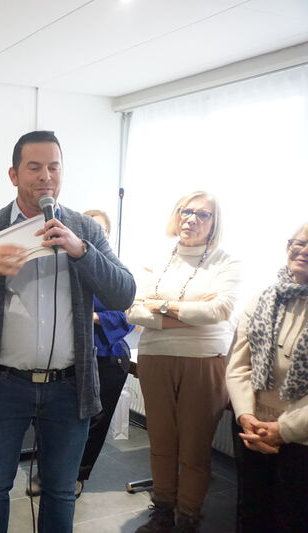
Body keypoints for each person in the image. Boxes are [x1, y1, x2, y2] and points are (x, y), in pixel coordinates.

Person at [0, 130, 136, 533]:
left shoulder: (84, 229)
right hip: (2, 384)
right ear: (14, 174)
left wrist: (81, 251)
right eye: (35, 167)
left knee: (60, 490)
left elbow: (123, 293)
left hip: (69, 386)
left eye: (54, 167)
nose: (46, 176)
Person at [127, 190, 241, 533]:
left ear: (214, 222)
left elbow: (219, 310)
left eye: (202, 214)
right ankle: (163, 510)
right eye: (185, 211)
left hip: (203, 360)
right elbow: (132, 310)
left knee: (194, 447)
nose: (191, 219)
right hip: (155, 356)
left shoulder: (225, 261)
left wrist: (161, 305)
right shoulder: (155, 258)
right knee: (161, 441)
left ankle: (189, 516)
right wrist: (189, 313)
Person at [27, 209, 136, 499]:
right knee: (50, 418)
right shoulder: (64, 263)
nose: (93, 235)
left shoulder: (114, 272)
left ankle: (77, 475)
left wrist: (91, 317)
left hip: (106, 356)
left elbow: (128, 315)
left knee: (94, 422)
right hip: (66, 355)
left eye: (100, 231)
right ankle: (45, 472)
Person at [226, 224, 308, 533]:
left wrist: (283, 430)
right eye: (298, 243)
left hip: (301, 437)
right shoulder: (263, 298)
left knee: (292, 516)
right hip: (253, 426)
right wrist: (246, 416)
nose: (303, 250)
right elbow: (239, 365)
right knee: (251, 509)